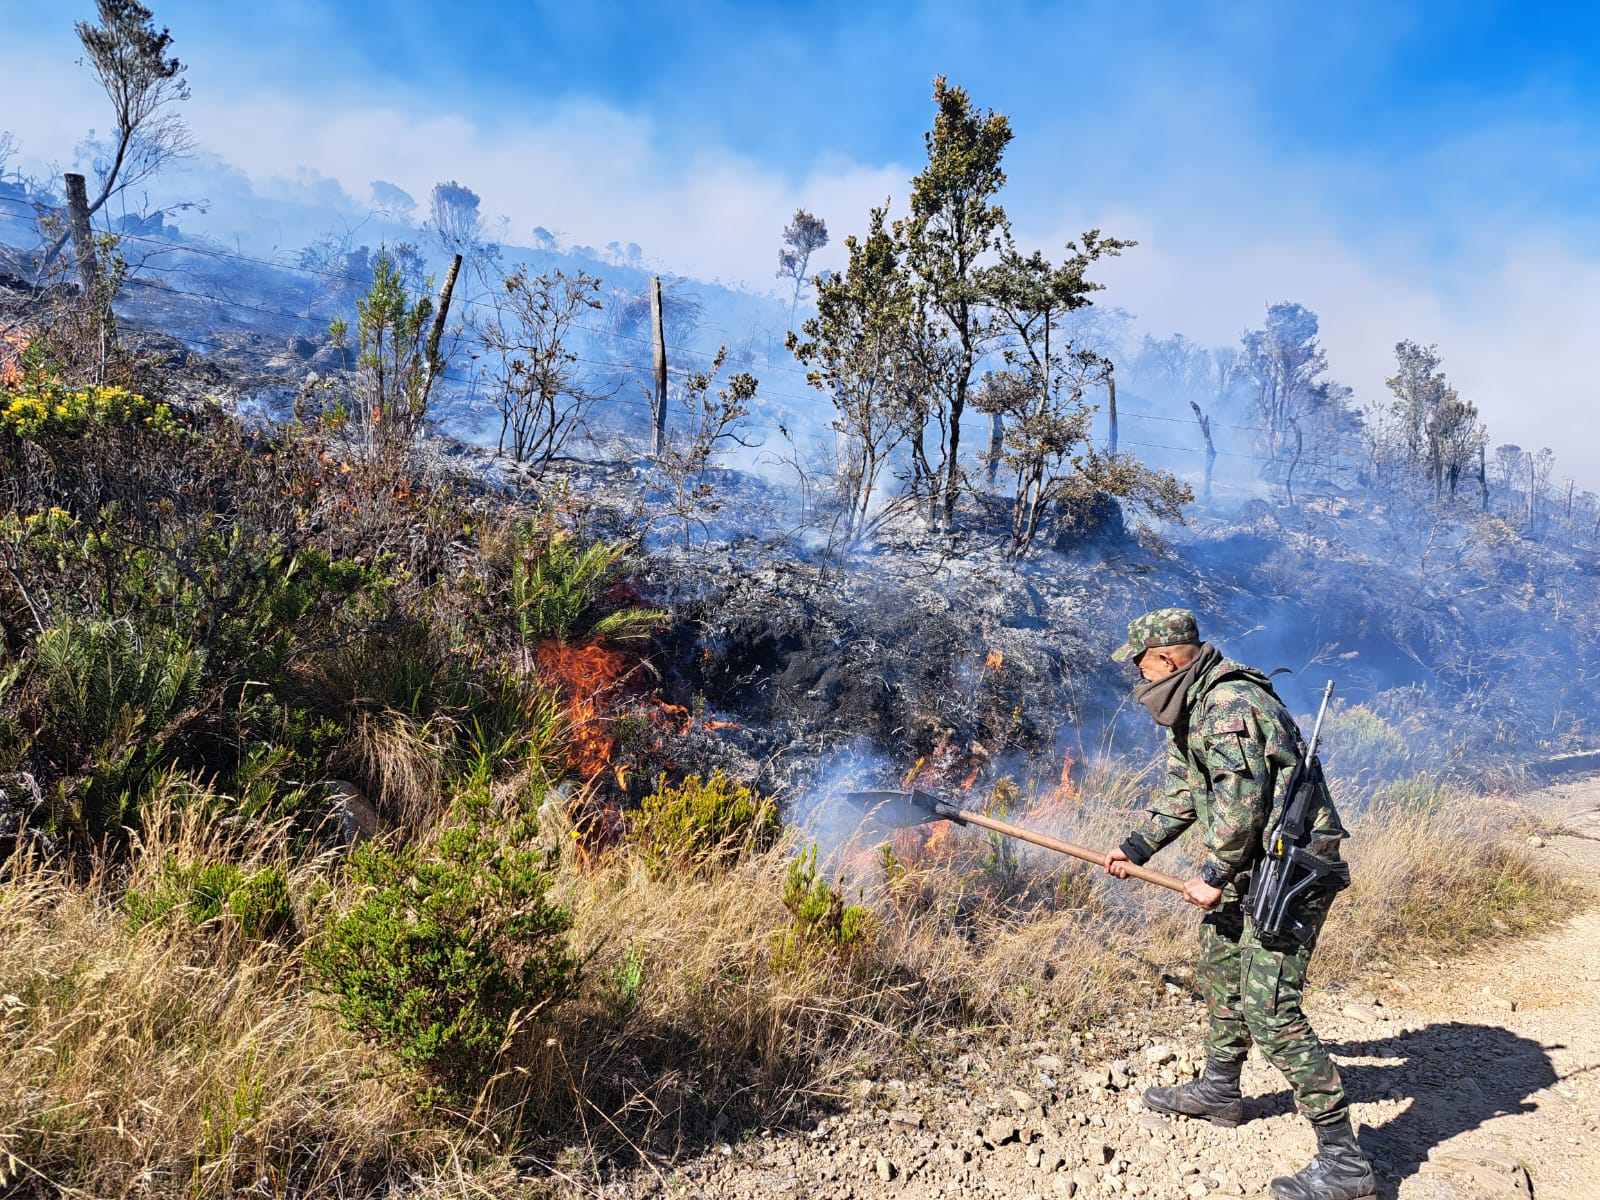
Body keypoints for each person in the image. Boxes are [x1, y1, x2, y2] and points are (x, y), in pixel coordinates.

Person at [1102, 608, 1376, 1200]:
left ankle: (1346, 1165)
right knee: (1223, 970)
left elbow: (1240, 806)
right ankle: (1221, 1090)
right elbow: (1184, 794)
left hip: (1289, 869)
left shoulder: (1228, 707)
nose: (1137, 674)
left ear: (1170, 657)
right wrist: (1134, 848)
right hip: (1250, 860)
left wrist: (1213, 873)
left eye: (1140, 662)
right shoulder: (1192, 708)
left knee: (1270, 1007)